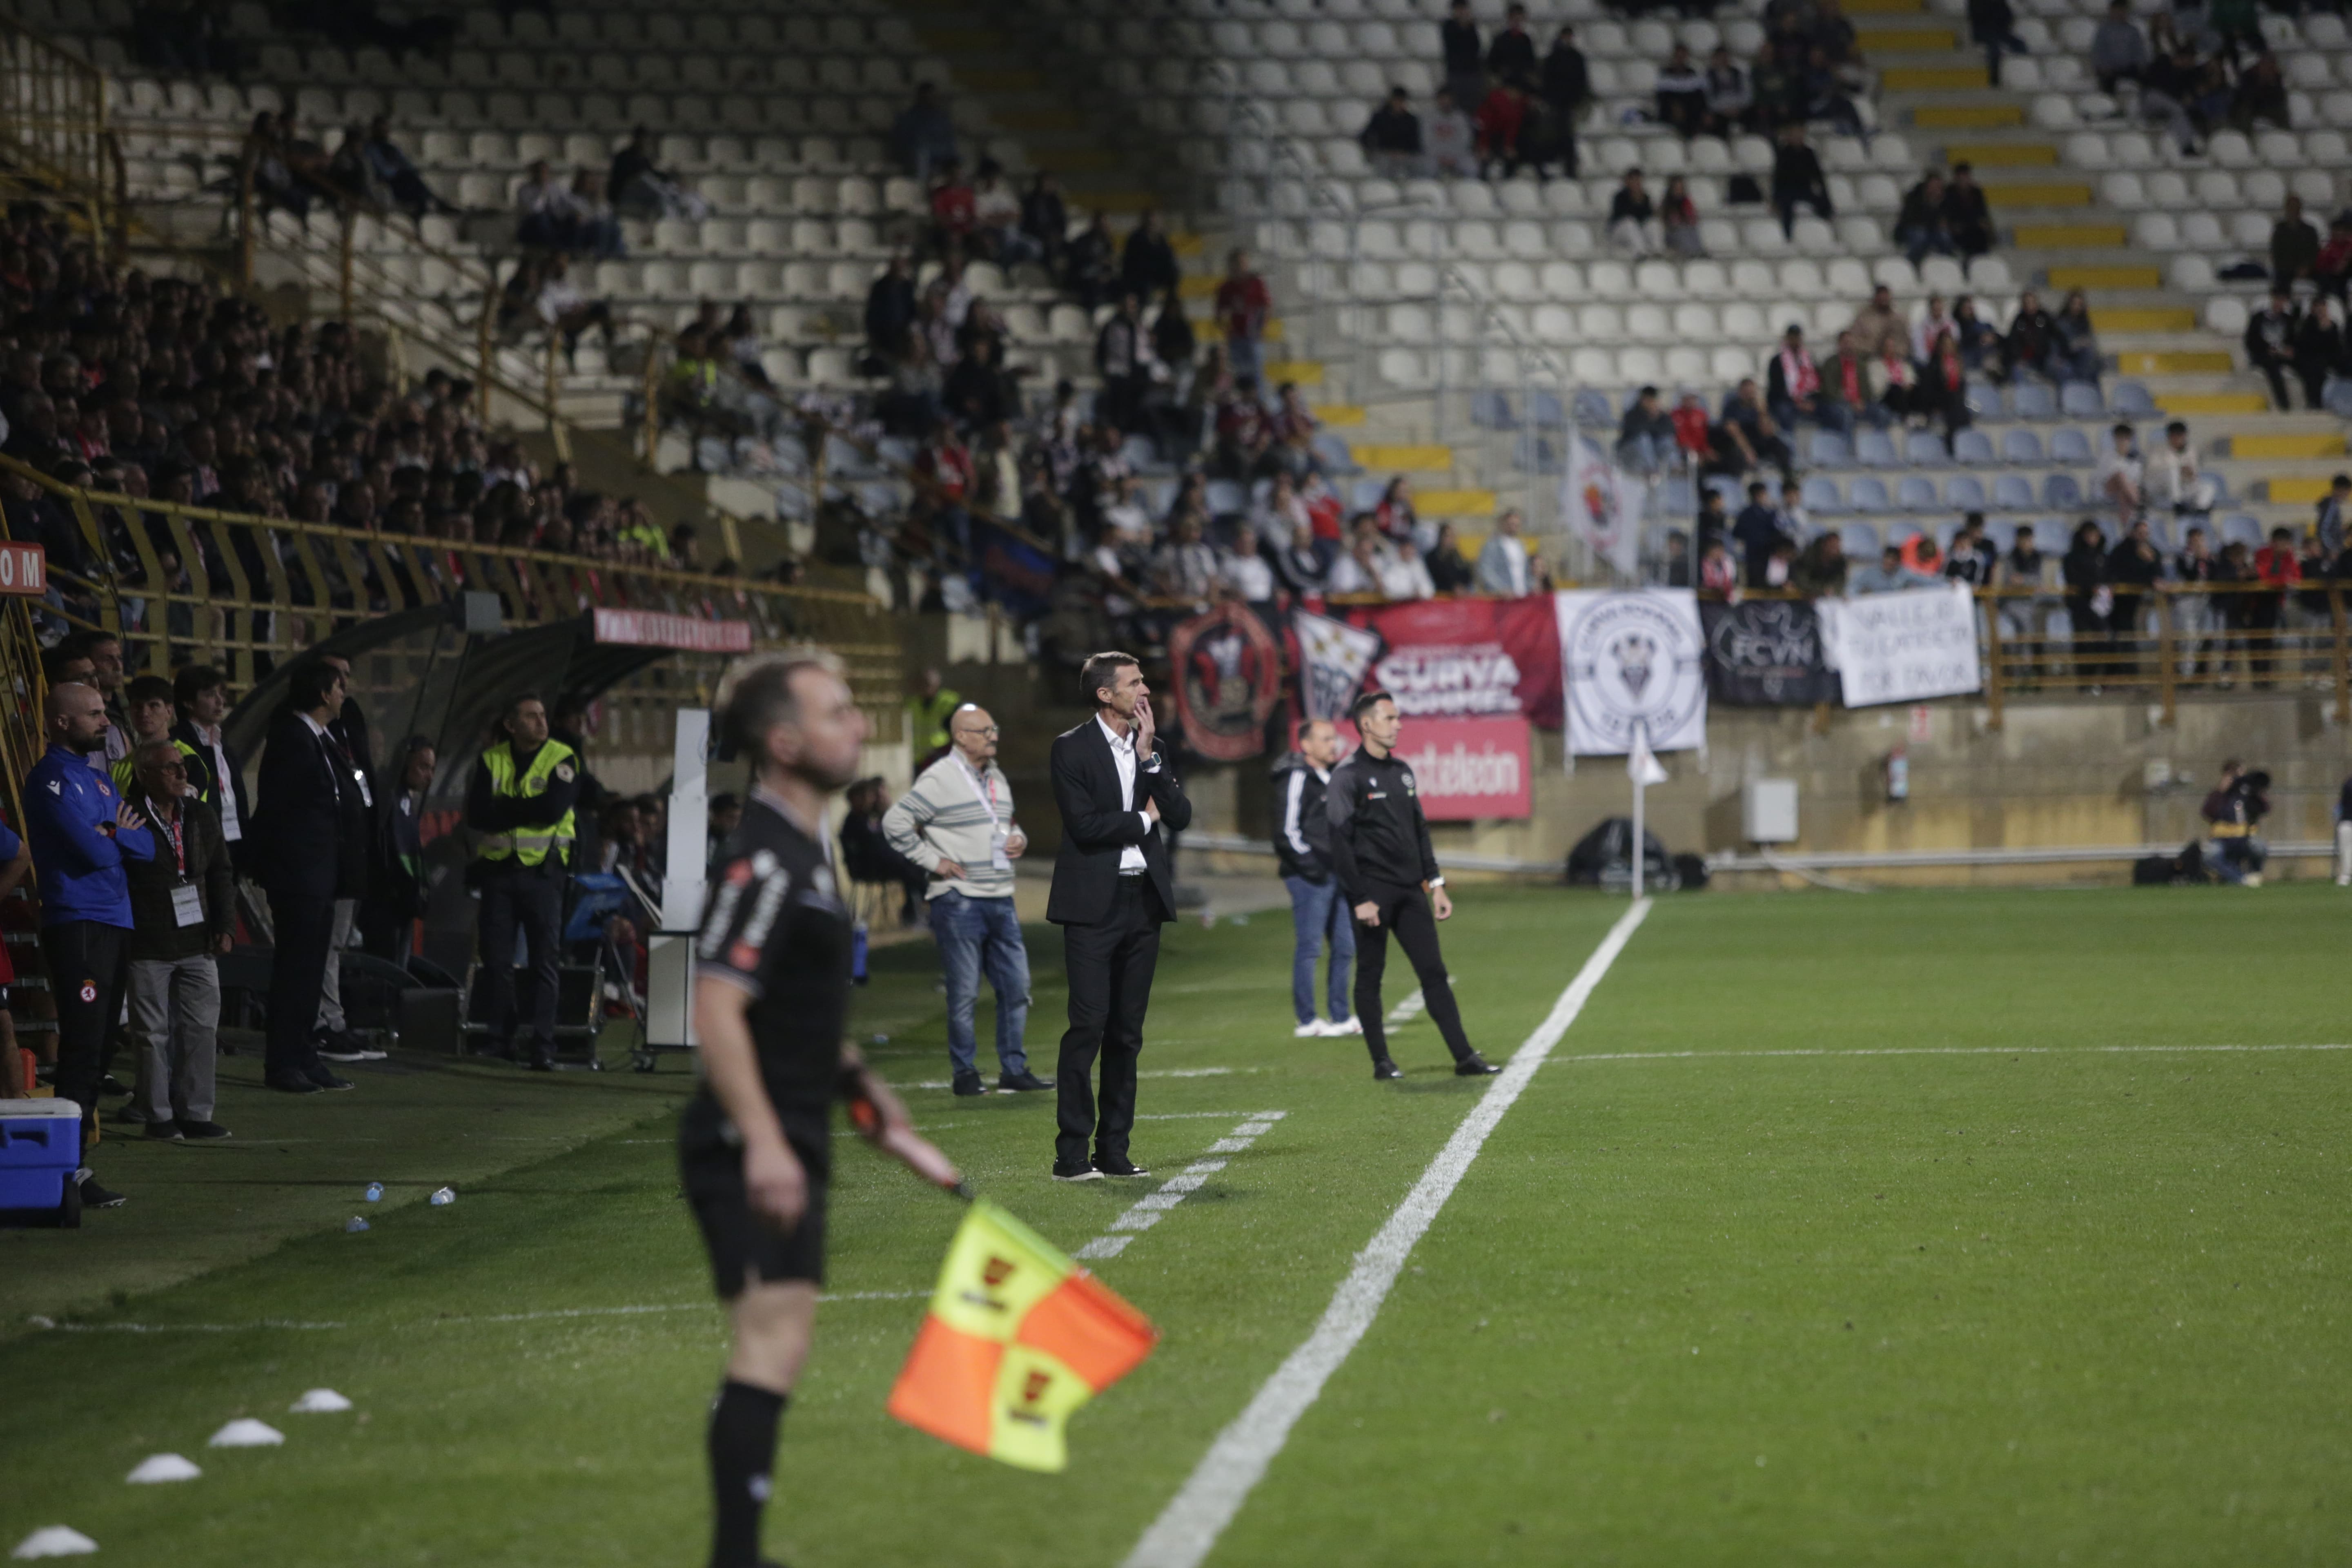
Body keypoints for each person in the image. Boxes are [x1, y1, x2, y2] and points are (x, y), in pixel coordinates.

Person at [684, 649, 958, 1568]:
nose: (855, 726)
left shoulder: (805, 850)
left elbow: (798, 1016)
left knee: (782, 1344)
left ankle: (741, 1552)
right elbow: (717, 1004)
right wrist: (763, 1144)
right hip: (747, 1135)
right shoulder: (762, 856)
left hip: (795, 1122)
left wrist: (880, 1110)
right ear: (785, 741)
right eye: (837, 713)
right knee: (768, 1342)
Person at [1045, 652, 1191, 1181]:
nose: (1144, 690)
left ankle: (1114, 1150)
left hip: (1142, 902)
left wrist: (1151, 760)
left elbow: (1180, 815)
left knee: (1127, 1034)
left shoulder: (1154, 750)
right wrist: (1141, 819)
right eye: (1133, 683)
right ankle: (1070, 1155)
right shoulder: (1071, 749)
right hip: (1091, 907)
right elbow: (1085, 826)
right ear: (1106, 695)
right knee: (1087, 1026)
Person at [24, 682, 152, 1207]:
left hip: (114, 922)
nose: (106, 723)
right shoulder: (49, 779)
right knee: (81, 1046)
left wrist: (111, 833)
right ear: (60, 722)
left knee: (98, 1049)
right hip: (78, 923)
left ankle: (74, 1167)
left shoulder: (99, 781)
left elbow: (145, 845)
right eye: (95, 715)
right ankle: (67, 1172)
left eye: (104, 713)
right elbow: (92, 854)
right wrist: (112, 837)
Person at [881, 704, 1051, 1098]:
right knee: (964, 992)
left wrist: (1019, 839)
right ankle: (966, 1073)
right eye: (984, 730)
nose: (993, 735)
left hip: (1000, 896)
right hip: (959, 899)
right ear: (961, 736)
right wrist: (933, 861)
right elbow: (895, 823)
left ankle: (1013, 1069)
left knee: (1018, 986)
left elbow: (1005, 822)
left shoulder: (995, 775)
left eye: (994, 728)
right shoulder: (940, 777)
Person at [1325, 690, 1495, 1082]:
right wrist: (1360, 898)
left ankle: (1464, 1056)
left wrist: (1436, 883)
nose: (1398, 724)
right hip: (1373, 893)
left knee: (1434, 972)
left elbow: (1419, 830)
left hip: (1410, 891)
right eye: (1390, 718)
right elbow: (1340, 842)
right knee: (1371, 974)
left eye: (1398, 717)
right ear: (1367, 724)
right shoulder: (1347, 776)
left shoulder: (1403, 771)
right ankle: (1381, 1062)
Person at [251, 659, 362, 1095]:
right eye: (340, 686)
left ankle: (305, 1055)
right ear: (323, 693)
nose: (344, 693)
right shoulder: (293, 737)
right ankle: (282, 1062)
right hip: (299, 877)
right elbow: (282, 810)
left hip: (321, 875)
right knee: (296, 970)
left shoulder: (322, 737)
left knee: (312, 970)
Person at [120, 738, 234, 1141]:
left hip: (198, 939)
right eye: (170, 767)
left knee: (201, 1028)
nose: (182, 772)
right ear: (144, 775)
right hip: (148, 941)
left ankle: (196, 1114)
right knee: (152, 1034)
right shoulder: (128, 816)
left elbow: (220, 872)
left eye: (182, 765)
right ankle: (158, 1116)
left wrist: (225, 925)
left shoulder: (200, 813)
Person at [465, 693, 581, 1072]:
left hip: (543, 874)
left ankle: (542, 1045)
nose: (541, 722)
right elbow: (479, 814)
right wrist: (522, 809)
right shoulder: (491, 760)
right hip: (499, 873)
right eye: (531, 717)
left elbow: (552, 810)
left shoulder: (562, 756)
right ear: (511, 726)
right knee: (497, 962)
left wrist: (506, 808)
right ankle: (502, 1038)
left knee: (543, 963)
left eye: (543, 715)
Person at [1274, 719, 1358, 1040]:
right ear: (1305, 745)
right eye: (1324, 739)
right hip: (1310, 877)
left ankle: (1340, 1016)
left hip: (1337, 874)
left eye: (1334, 739)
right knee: (1310, 948)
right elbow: (1286, 831)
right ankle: (1307, 1020)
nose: (1333, 744)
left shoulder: (1333, 776)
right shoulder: (1296, 777)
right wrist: (1314, 867)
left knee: (1345, 946)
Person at [361, 735, 434, 962]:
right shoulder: (386, 795)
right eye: (423, 767)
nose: (429, 776)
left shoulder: (405, 801)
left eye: (432, 769)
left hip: (402, 903)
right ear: (405, 762)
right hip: (384, 903)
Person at [170, 665, 249, 872]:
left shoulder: (223, 744)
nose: (220, 701)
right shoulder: (177, 743)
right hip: (199, 844)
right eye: (210, 695)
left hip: (231, 841)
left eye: (221, 694)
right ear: (188, 702)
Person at [2200, 760, 2267, 884]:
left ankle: (2254, 875)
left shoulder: (2247, 794)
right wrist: (2221, 791)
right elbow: (2207, 812)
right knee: (2210, 855)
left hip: (2245, 837)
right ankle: (2240, 879)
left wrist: (2255, 792)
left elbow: (2264, 808)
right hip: (2222, 838)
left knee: (2260, 848)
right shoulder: (2219, 795)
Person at [1214, 249, 1272, 387]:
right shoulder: (1227, 288)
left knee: (1257, 375)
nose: (1240, 267)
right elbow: (1219, 313)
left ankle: (1259, 405)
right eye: (1237, 264)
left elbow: (1266, 306)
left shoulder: (1256, 283)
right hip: (1236, 338)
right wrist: (1227, 330)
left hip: (1253, 336)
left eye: (1243, 263)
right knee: (1239, 375)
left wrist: (1261, 328)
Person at [1771, 123, 1831, 241]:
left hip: (1805, 189)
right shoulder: (1784, 153)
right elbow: (1778, 179)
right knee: (1786, 207)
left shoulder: (1809, 153)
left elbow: (1818, 177)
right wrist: (1775, 200)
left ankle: (1826, 230)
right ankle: (1788, 237)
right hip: (1789, 190)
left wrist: (1826, 198)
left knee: (1823, 203)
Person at [2244, 290, 2300, 410]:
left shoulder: (2288, 320)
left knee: (2308, 363)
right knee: (2273, 367)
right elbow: (2251, 341)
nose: (2280, 303)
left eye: (2283, 301)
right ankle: (2284, 404)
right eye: (2278, 300)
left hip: (2282, 354)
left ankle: (2314, 402)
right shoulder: (2258, 318)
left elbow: (2294, 341)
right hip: (2263, 355)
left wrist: (2290, 350)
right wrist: (2269, 349)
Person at [2147, 420, 2217, 514]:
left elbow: (2194, 474)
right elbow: (2152, 471)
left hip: (2182, 486)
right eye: (2175, 436)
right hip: (2160, 487)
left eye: (2180, 436)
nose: (2178, 439)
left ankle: (2200, 509)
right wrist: (2179, 470)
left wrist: (2190, 474)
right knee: (2173, 472)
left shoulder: (2191, 451)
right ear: (2169, 437)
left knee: (2209, 486)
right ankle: (2178, 504)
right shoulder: (2158, 450)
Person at [1361, 86, 1425, 177]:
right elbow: (1366, 136)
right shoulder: (1380, 117)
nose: (1398, 103)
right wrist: (1376, 150)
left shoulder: (1411, 120)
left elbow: (1415, 141)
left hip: (1405, 155)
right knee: (1384, 164)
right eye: (1396, 100)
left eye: (1401, 101)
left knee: (1419, 164)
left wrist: (1404, 152)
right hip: (1385, 153)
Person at [1474, 508, 1536, 595]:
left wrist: (1531, 585)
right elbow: (1486, 571)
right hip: (1504, 598)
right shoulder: (1492, 545)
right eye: (1511, 524)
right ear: (1504, 524)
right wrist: (1501, 589)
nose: (1514, 527)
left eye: (1516, 524)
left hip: (1522, 595)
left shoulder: (1520, 545)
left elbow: (1526, 571)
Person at [2091, 0, 2148, 93]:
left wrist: (2142, 65)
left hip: (2129, 68)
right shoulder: (2104, 31)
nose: (2120, 14)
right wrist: (2103, 66)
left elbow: (2139, 50)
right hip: (2110, 69)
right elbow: (2098, 51)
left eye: (2122, 11)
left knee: (2147, 80)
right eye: (2117, 11)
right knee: (2107, 82)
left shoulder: (2133, 31)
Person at [2094, 422, 2143, 529]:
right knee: (2120, 476)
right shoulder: (2107, 456)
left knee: (2124, 494)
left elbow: (2136, 481)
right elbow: (2102, 479)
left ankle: (2128, 529)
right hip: (2108, 490)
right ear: (2115, 439)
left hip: (2126, 493)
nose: (2123, 442)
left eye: (2126, 439)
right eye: (2120, 438)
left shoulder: (2135, 459)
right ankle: (2138, 505)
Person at [1942, 164, 1993, 261]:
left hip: (1973, 226)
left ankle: (1981, 261)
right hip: (1957, 227)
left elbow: (1982, 212)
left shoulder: (1976, 193)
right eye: (1961, 177)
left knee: (1981, 234)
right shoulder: (1949, 192)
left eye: (1966, 177)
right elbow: (1950, 212)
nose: (1964, 180)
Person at [2270, 194, 2320, 288]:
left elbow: (2315, 251)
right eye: (2291, 207)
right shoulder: (2280, 230)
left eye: (2296, 207)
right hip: (2286, 269)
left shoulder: (2309, 230)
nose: (2294, 210)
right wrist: (2293, 269)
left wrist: (2306, 267)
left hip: (2308, 269)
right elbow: (2277, 253)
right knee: (2281, 282)